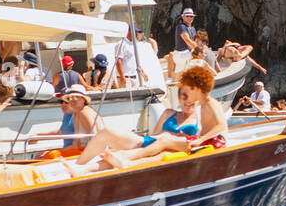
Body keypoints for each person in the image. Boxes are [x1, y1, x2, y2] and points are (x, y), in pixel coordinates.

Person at [69, 65, 229, 173]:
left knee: (164, 143)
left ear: (197, 88)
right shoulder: (198, 106)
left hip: (208, 144)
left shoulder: (209, 103)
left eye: (188, 91)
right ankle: (82, 169)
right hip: (186, 142)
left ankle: (126, 159)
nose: (187, 97)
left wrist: (199, 140)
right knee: (162, 143)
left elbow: (221, 125)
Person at [55, 84, 100, 155]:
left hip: (92, 153)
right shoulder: (76, 113)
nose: (73, 99)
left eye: (77, 97)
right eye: (70, 97)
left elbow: (95, 138)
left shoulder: (84, 112)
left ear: (83, 99)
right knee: (51, 155)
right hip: (81, 150)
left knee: (52, 155)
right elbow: (76, 143)